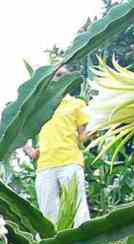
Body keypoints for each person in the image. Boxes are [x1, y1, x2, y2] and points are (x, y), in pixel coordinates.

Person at [23, 67, 92, 227]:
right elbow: (20, 132)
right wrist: (29, 151)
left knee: (77, 205)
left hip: (70, 160)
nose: (57, 78)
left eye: (61, 75)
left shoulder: (77, 104)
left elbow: (84, 135)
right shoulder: (39, 108)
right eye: (54, 75)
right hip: (45, 164)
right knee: (47, 211)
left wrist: (95, 128)